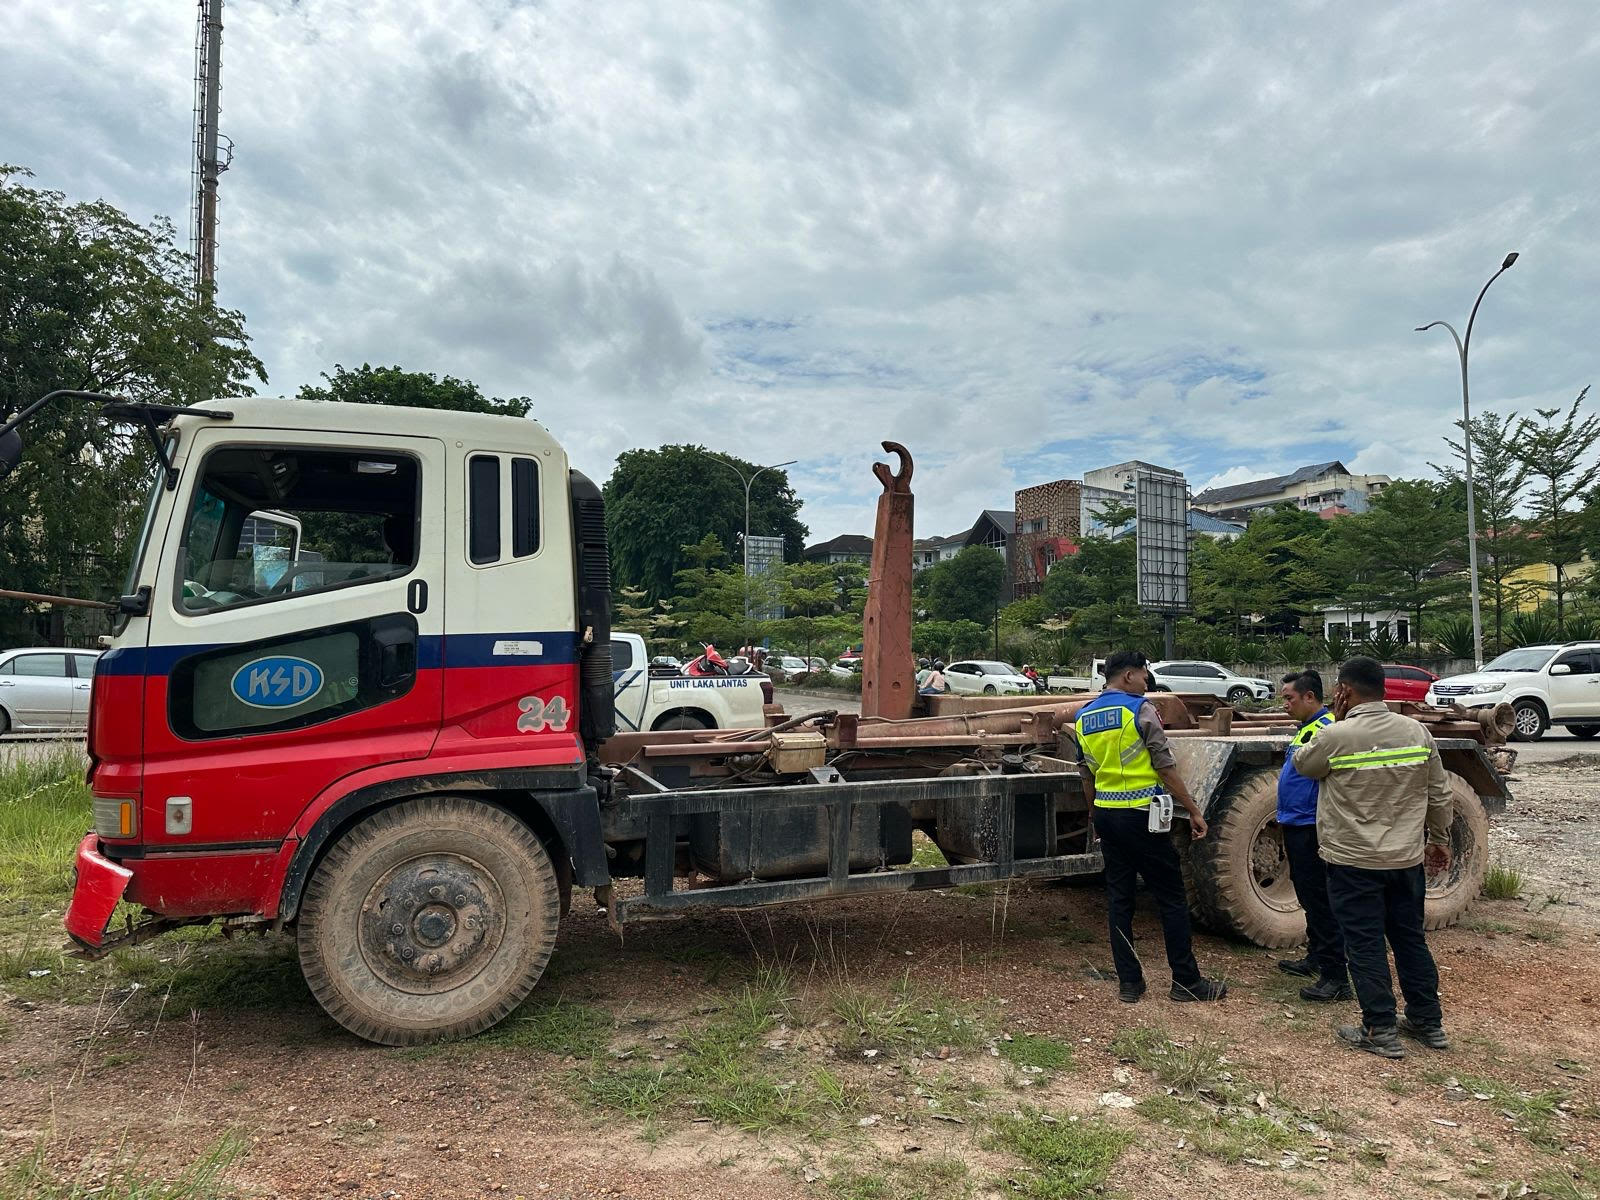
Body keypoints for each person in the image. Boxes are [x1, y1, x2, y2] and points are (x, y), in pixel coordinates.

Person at [1294, 656, 1454, 1058]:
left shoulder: (1337, 735)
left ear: (1343, 690)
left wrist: (1335, 716)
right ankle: (1427, 1022)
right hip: (1405, 860)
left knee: (1364, 944)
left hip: (1352, 862)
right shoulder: (1416, 732)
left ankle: (1379, 1029)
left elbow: (1303, 764)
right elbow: (1439, 793)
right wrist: (1439, 839)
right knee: (1410, 940)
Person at [1073, 649, 1227, 1004]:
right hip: (1142, 814)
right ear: (1128, 676)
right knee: (1171, 898)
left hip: (1107, 814)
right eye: (1144, 674)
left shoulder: (1083, 716)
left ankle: (1130, 984)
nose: (1147, 681)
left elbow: (1087, 774)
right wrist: (1194, 810)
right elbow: (1164, 766)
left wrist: (1094, 815)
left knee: (1120, 899)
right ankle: (1186, 982)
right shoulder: (1138, 709)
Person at [1274, 670, 1350, 1002]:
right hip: (1296, 822)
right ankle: (1317, 956)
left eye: (1289, 698)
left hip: (1310, 826)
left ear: (1309, 697)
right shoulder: (1306, 729)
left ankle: (1336, 977)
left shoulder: (1326, 729)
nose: (1285, 704)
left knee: (1320, 899)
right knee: (1308, 895)